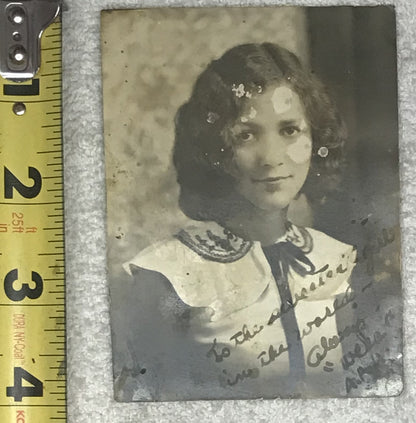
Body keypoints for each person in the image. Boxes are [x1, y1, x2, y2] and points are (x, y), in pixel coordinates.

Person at [120, 43, 357, 401]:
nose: (272, 158)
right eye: (245, 135)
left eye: (290, 130)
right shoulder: (167, 274)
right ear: (216, 149)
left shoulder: (335, 259)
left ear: (315, 138)